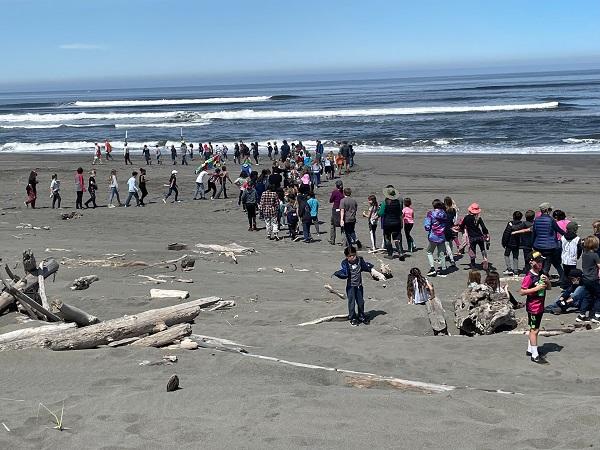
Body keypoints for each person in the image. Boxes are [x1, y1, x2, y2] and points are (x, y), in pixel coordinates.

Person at [519, 251, 552, 364]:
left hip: (540, 306)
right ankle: (535, 355)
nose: (540, 264)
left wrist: (547, 281)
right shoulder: (529, 276)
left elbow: (549, 288)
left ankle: (530, 349)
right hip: (533, 306)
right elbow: (522, 291)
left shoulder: (541, 273)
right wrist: (536, 289)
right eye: (538, 261)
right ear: (531, 262)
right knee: (535, 330)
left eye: (541, 261)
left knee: (533, 328)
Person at [333, 246, 375, 326]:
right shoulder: (345, 263)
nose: (352, 257)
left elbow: (365, 267)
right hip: (350, 286)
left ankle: (361, 315)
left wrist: (371, 268)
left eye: (353, 255)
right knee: (351, 302)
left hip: (359, 286)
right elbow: (343, 272)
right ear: (346, 257)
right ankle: (352, 317)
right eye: (350, 256)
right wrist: (338, 273)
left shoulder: (359, 260)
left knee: (360, 302)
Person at [532, 202, 564, 279]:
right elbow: (559, 230)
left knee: (539, 262)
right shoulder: (551, 220)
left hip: (537, 246)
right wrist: (569, 235)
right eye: (550, 209)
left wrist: (532, 244)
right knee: (547, 264)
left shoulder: (536, 220)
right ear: (547, 210)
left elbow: (534, 233)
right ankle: (543, 281)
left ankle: (538, 278)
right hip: (549, 247)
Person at [459, 203, 489, 271]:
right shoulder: (478, 218)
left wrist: (460, 228)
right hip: (480, 236)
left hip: (472, 237)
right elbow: (484, 228)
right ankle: (485, 259)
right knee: (482, 249)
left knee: (473, 250)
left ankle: (473, 265)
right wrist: (486, 234)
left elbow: (461, 226)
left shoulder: (466, 218)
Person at [576, 235, 600, 323]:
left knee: (588, 296)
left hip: (585, 278)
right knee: (598, 296)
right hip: (593, 279)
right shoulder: (595, 255)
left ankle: (581, 314)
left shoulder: (584, 254)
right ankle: (597, 315)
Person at [379, 186, 405, 260]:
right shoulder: (398, 202)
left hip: (387, 223)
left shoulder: (385, 202)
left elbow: (381, 213)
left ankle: (390, 254)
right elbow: (400, 212)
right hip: (397, 222)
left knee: (387, 238)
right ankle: (400, 253)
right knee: (397, 238)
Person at [424, 199, 449, 276]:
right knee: (441, 253)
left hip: (433, 236)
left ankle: (432, 268)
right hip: (441, 236)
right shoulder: (444, 213)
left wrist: (429, 227)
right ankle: (444, 268)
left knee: (429, 252)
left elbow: (427, 226)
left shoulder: (431, 213)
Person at [501, 211, 525, 276]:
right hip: (517, 244)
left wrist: (504, 243)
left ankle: (509, 269)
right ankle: (516, 270)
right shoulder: (522, 224)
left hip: (509, 243)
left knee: (506, 255)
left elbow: (506, 234)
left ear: (513, 216)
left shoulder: (510, 223)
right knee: (515, 257)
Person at [328, 180, 345, 245]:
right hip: (342, 209)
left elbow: (331, 200)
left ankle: (332, 240)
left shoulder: (335, 192)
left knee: (333, 225)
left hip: (335, 209)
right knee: (342, 225)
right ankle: (343, 241)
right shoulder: (343, 192)